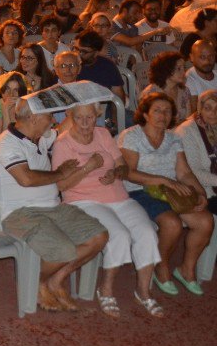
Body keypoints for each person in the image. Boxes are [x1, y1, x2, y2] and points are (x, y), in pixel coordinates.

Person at [0, 99, 108, 312]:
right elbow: (25, 178)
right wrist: (60, 174)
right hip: (19, 213)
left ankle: (53, 279)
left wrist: (80, 101)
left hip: (53, 207)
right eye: (48, 116)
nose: (53, 120)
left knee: (98, 237)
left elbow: (65, 126)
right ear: (33, 118)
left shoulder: (40, 137)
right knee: (63, 250)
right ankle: (34, 282)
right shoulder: (6, 143)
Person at [51, 104, 163, 318]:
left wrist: (116, 173)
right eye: (80, 117)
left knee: (147, 232)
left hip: (118, 197)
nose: (85, 123)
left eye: (90, 117)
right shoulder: (63, 143)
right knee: (118, 235)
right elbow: (62, 186)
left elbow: (122, 167)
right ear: (70, 116)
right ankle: (106, 289)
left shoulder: (103, 134)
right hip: (83, 200)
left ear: (97, 117)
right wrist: (88, 168)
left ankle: (143, 291)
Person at [118, 93, 214, 296]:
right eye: (157, 111)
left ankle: (186, 270)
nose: (163, 115)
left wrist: (199, 192)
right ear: (145, 114)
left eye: (167, 111)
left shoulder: (173, 138)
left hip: (170, 191)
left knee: (205, 221)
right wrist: (163, 180)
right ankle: (161, 267)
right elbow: (129, 173)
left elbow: (184, 172)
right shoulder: (132, 136)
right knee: (172, 224)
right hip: (140, 191)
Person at [176, 89, 217, 214]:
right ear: (200, 109)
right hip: (204, 191)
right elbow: (193, 172)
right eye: (207, 108)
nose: (213, 113)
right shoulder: (187, 131)